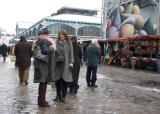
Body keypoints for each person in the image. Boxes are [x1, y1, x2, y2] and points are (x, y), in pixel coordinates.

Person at [33, 28, 56, 107]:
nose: (48, 34)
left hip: (41, 65)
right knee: (43, 83)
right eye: (47, 33)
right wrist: (52, 48)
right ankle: (42, 101)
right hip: (43, 65)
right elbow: (45, 51)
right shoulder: (44, 41)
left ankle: (41, 100)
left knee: (43, 83)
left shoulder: (39, 40)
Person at [53, 30, 74, 103]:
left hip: (66, 64)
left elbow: (71, 53)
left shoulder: (69, 43)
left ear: (65, 35)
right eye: (60, 34)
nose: (61, 36)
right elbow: (54, 53)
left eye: (62, 34)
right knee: (58, 81)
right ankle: (58, 96)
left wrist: (71, 62)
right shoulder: (56, 43)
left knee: (65, 81)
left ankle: (63, 97)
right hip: (58, 64)